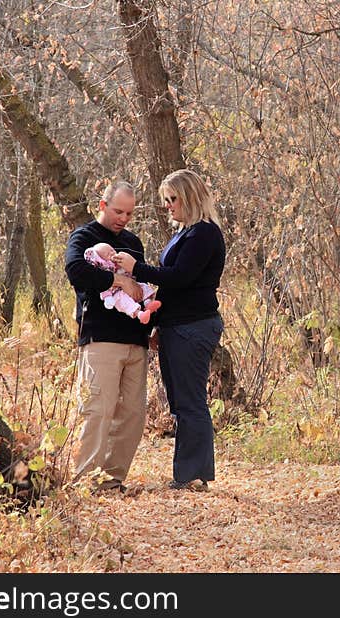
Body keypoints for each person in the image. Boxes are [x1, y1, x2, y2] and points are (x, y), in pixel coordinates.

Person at [113, 169, 225, 491]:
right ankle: (187, 472)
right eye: (165, 200)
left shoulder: (204, 233)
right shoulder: (184, 233)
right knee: (179, 401)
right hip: (177, 327)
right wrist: (159, 325)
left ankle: (193, 475)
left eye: (172, 199)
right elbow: (172, 285)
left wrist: (137, 269)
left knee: (190, 402)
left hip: (194, 326)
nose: (167, 206)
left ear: (189, 197)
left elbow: (179, 277)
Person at [65, 181, 152, 493]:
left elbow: (141, 283)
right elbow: (76, 271)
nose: (123, 218)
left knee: (132, 414)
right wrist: (117, 280)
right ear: (102, 205)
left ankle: (112, 482)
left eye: (129, 213)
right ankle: (83, 482)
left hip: (135, 339)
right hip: (100, 337)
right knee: (98, 410)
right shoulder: (84, 237)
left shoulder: (133, 242)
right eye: (118, 211)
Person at [84, 242, 161, 323]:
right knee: (125, 302)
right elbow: (104, 288)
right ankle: (140, 314)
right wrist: (108, 298)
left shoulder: (120, 262)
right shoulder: (104, 273)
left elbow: (131, 272)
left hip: (133, 285)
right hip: (117, 293)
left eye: (112, 250)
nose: (112, 253)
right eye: (107, 254)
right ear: (102, 260)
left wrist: (127, 265)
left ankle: (148, 303)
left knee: (144, 287)